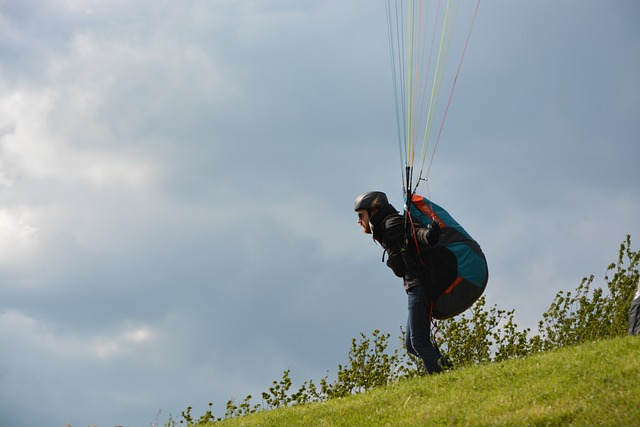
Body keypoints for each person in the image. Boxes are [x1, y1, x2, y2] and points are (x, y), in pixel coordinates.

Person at [354, 191, 448, 374]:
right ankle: (449, 371)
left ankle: (444, 380)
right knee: (411, 345)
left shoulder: (392, 223)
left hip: (419, 285)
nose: (358, 221)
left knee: (419, 342)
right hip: (415, 286)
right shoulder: (384, 227)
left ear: (373, 210)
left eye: (360, 215)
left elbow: (416, 233)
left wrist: (430, 235)